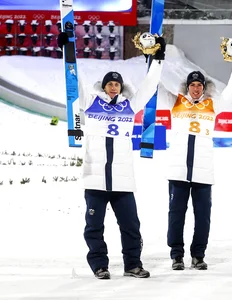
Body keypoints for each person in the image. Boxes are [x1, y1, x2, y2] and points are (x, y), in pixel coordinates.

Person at [68, 32, 166, 280]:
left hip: (122, 180)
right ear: (103, 86)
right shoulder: (90, 103)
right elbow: (74, 83)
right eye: (110, 84)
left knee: (131, 227)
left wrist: (159, 58)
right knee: (94, 227)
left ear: (122, 87)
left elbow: (150, 85)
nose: (113, 87)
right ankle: (100, 265)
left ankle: (132, 265)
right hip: (96, 178)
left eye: (117, 84)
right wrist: (68, 51)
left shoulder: (129, 106)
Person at [164, 40, 232, 271]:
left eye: (199, 85)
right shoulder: (175, 102)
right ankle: (177, 255)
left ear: (204, 88)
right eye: (192, 85)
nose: (195, 89)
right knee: (176, 217)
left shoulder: (212, 105)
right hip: (178, 171)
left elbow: (231, 94)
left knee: (203, 218)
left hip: (203, 172)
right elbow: (155, 85)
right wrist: (154, 58)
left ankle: (198, 255)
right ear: (186, 87)